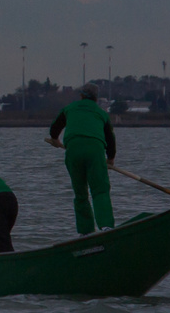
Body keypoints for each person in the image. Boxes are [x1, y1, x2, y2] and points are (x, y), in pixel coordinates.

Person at [48, 82, 116, 234]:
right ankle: (106, 227)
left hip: (73, 150)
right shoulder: (102, 113)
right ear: (96, 98)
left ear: (81, 95)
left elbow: (55, 128)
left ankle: (85, 231)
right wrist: (110, 158)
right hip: (95, 150)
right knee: (100, 190)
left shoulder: (69, 108)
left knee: (80, 193)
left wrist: (55, 139)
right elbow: (110, 139)